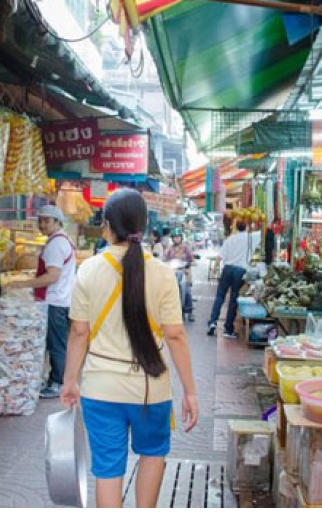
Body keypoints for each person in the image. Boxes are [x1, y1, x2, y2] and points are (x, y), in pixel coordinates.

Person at [61, 189, 198, 508]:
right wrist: (190, 392)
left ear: (107, 226)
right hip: (151, 389)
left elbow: (79, 332)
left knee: (107, 468)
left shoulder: (89, 270)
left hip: (100, 389)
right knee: (152, 456)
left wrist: (70, 381)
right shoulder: (164, 274)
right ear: (144, 226)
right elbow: (175, 336)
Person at [9, 204, 76, 399]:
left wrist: (22, 284)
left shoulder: (56, 244)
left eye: (47, 221)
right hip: (60, 299)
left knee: (55, 344)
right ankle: (53, 380)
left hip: (54, 301)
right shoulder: (62, 240)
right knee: (55, 343)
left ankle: (56, 382)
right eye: (40, 220)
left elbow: (52, 276)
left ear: (58, 222)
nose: (43, 224)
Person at [206, 220, 259, 339]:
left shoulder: (230, 239)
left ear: (235, 227)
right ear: (246, 227)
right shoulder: (251, 237)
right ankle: (228, 329)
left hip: (227, 269)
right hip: (240, 271)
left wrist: (214, 269)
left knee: (220, 296)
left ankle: (212, 322)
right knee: (233, 299)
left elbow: (220, 256)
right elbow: (264, 231)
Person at [164, 230, 194, 322]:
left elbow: (191, 258)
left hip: (184, 271)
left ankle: (190, 311)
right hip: (173, 272)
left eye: (177, 237)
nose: (176, 239)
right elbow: (165, 259)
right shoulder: (169, 248)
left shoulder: (186, 247)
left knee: (187, 291)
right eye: (174, 237)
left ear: (181, 238)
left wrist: (190, 263)